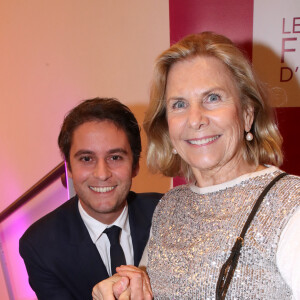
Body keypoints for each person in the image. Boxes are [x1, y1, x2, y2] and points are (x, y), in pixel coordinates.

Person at [92, 32, 300, 299]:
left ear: (247, 114)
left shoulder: (289, 204)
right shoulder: (170, 207)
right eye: (179, 104)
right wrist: (123, 291)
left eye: (212, 98)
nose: (195, 119)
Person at [19, 97, 162, 300]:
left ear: (135, 165)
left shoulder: (166, 212)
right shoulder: (40, 245)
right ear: (68, 167)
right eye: (87, 159)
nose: (102, 174)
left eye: (115, 157)